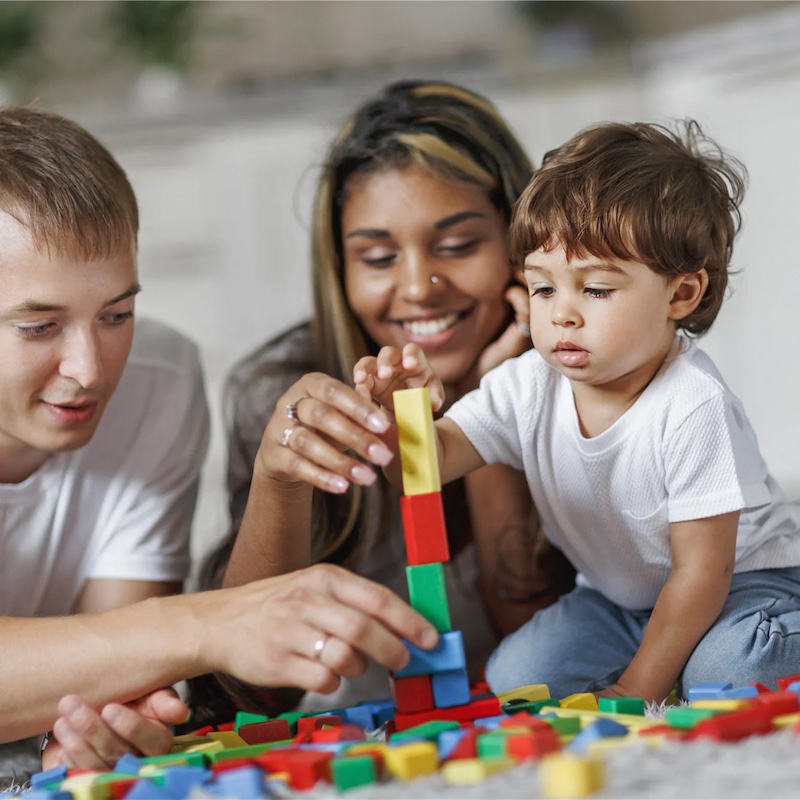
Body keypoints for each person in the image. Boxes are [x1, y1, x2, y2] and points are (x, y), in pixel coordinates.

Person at [0, 105, 438, 779]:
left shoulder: (160, 377)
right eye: (38, 327)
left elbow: (122, 676)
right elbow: (142, 644)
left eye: (117, 314)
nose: (90, 371)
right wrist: (212, 623)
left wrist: (106, 728)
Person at [350, 119, 800, 703]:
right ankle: (673, 664)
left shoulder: (693, 405)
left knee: (731, 670)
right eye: (543, 289)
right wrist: (400, 414)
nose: (562, 315)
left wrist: (638, 686)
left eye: (595, 290)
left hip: (743, 588)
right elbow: (424, 468)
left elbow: (700, 575)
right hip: (620, 601)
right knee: (518, 678)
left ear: (680, 295)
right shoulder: (527, 385)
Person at [190, 79, 576, 723]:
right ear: (339, 270)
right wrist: (276, 481)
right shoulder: (279, 396)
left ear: (520, 239)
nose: (419, 287)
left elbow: (543, 664)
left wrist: (491, 398)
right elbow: (244, 699)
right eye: (377, 256)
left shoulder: (589, 378)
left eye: (457, 246)